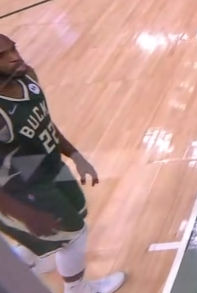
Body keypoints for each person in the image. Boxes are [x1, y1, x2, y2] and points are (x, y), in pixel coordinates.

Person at [0, 35, 125, 293]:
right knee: (75, 236)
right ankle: (77, 289)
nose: (15, 57)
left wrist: (75, 155)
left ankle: (32, 258)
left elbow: (44, 121)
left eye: (13, 49)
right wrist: (27, 214)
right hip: (17, 189)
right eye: (2, 56)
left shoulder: (26, 76)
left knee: (78, 212)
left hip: (47, 166)